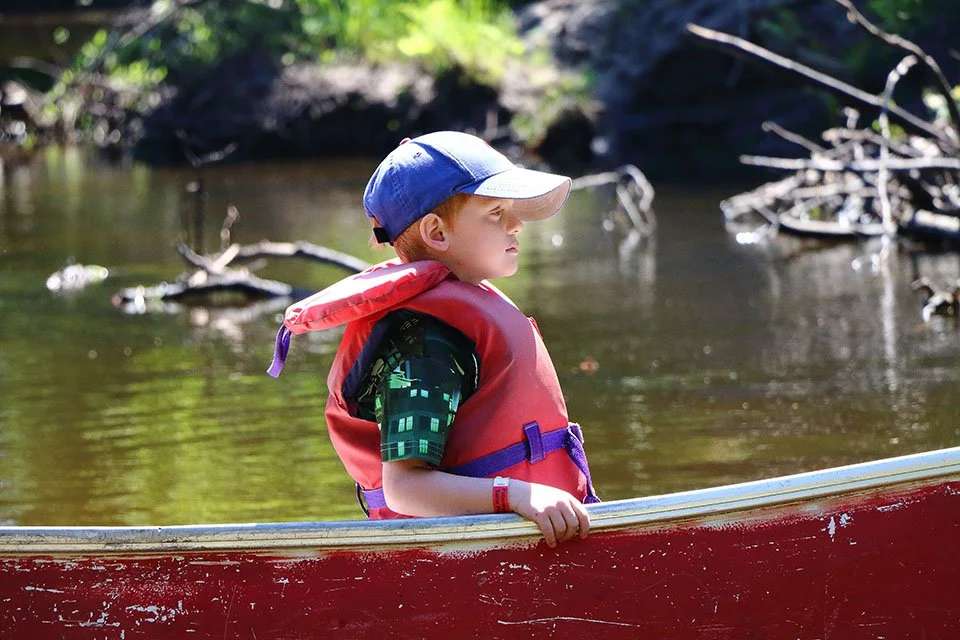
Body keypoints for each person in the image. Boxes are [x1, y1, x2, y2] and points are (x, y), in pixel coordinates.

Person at [268, 131, 599, 548]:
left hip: (515, 548)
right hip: (463, 559)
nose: (517, 224)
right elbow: (404, 488)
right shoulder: (425, 342)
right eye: (496, 212)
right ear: (437, 233)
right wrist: (515, 495)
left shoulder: (465, 312)